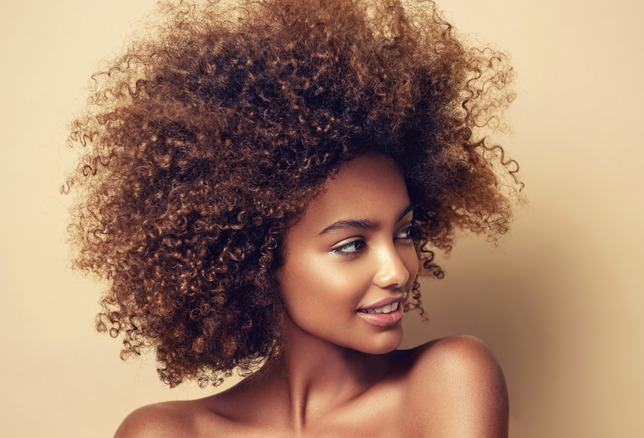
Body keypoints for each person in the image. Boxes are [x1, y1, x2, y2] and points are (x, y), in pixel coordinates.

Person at [65, 0, 522, 435]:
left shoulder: (448, 382)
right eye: (352, 245)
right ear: (255, 260)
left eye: (404, 232)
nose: (398, 270)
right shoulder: (165, 433)